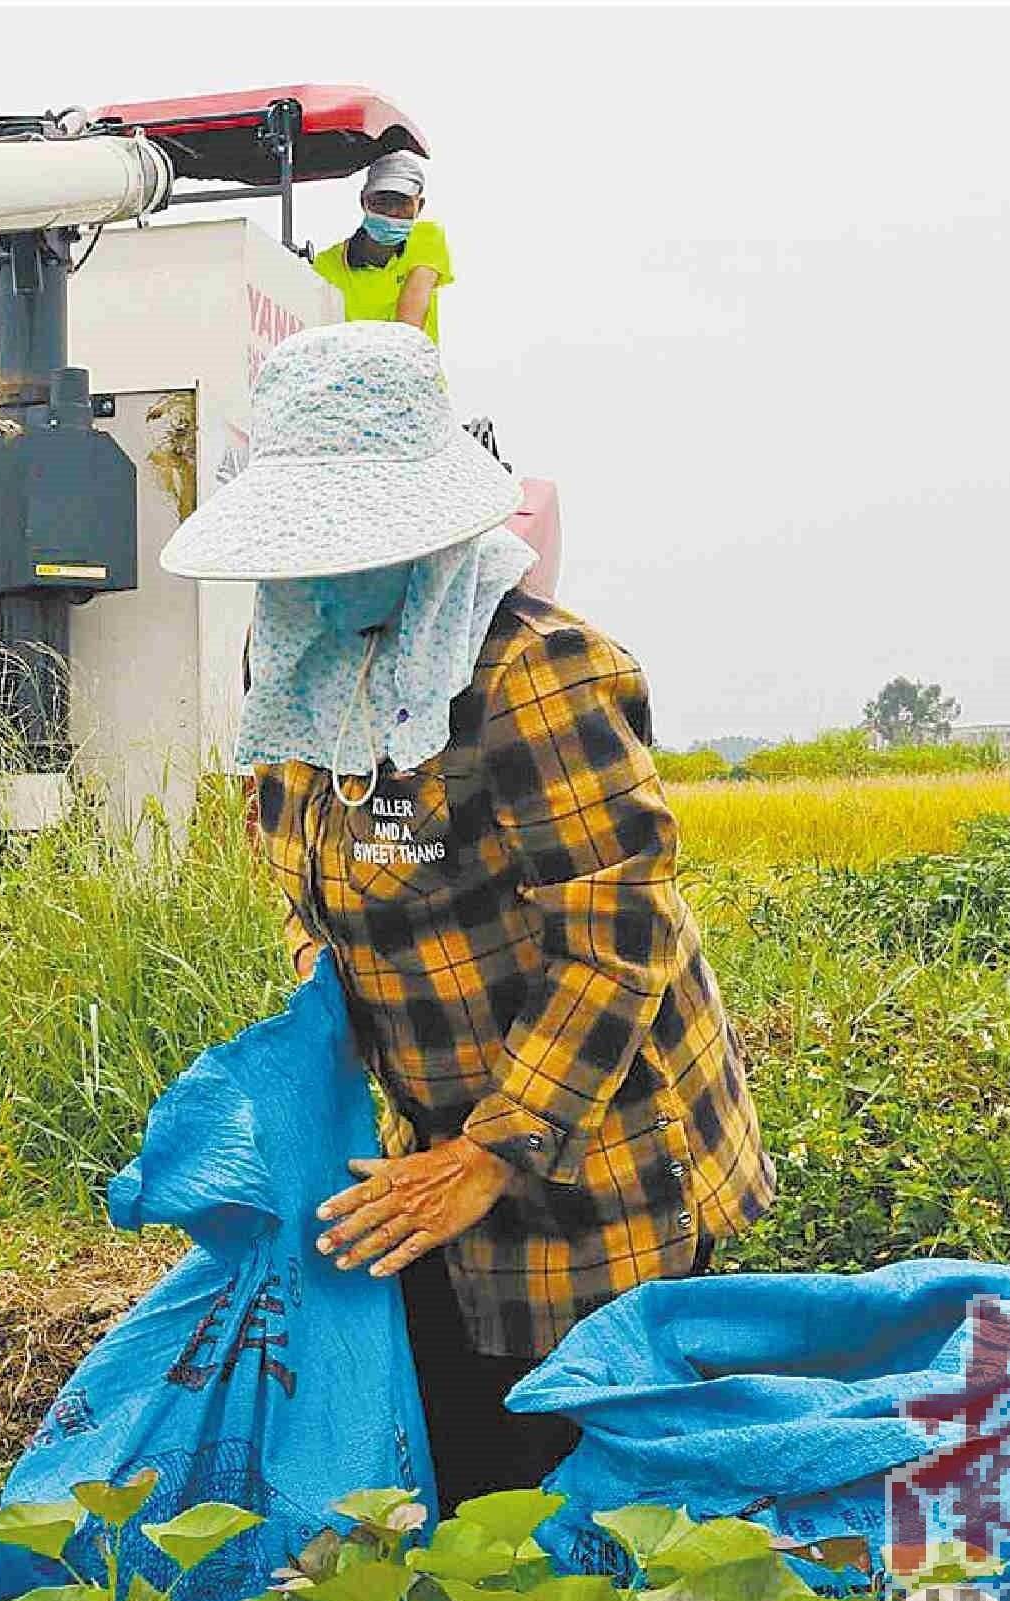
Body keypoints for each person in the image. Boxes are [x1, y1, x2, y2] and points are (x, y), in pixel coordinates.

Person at [160, 322, 772, 1505]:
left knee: (582, 1475)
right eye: (298, 548)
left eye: (352, 546)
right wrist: (317, 1020)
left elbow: (617, 928)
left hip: (604, 1144)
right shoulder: (293, 662)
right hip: (436, 1128)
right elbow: (300, 863)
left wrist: (493, 1153)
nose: (320, 578)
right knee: (450, 1456)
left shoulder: (533, 672)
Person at [313, 151, 453, 342]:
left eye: (402, 203)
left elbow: (408, 331)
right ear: (363, 201)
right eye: (382, 201)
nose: (392, 212)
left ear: (419, 207)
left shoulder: (428, 237)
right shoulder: (326, 265)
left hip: (412, 369)